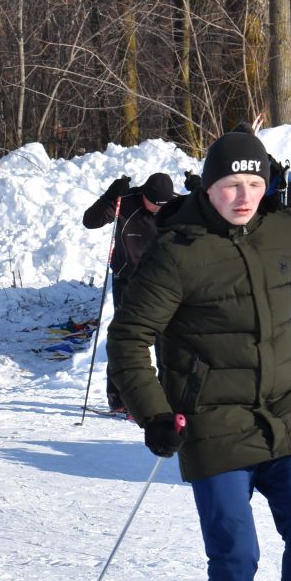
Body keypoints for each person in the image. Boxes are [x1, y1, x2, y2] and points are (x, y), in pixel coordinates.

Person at [108, 130, 291, 581]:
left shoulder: (283, 230)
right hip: (212, 417)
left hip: (287, 409)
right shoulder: (177, 248)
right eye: (232, 185)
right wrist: (154, 411)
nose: (244, 196)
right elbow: (130, 338)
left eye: (256, 184)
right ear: (208, 186)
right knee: (237, 550)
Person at [83, 172, 176, 413]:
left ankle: (168, 398)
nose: (158, 209)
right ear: (144, 194)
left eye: (163, 206)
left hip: (164, 283)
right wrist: (110, 196)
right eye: (154, 203)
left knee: (168, 343)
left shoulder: (174, 206)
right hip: (128, 281)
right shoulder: (126, 201)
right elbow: (90, 220)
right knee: (126, 343)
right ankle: (120, 400)